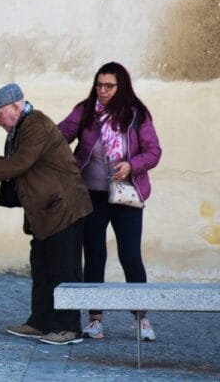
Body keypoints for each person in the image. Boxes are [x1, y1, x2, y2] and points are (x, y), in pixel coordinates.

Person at [0, 83, 92, 345]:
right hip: (46, 212)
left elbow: (20, 162)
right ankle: (40, 323)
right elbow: (10, 160)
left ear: (15, 106)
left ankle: (69, 328)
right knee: (42, 269)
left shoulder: (35, 124)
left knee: (64, 270)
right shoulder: (21, 127)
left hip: (64, 208)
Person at [57, 62, 162, 341]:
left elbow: (153, 151)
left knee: (130, 255)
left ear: (121, 87)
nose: (102, 91)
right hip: (91, 194)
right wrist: (33, 132)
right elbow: (60, 135)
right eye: (99, 85)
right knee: (94, 254)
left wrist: (131, 165)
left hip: (125, 193)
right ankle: (95, 319)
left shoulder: (136, 114)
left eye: (109, 86)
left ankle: (141, 318)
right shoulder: (85, 111)